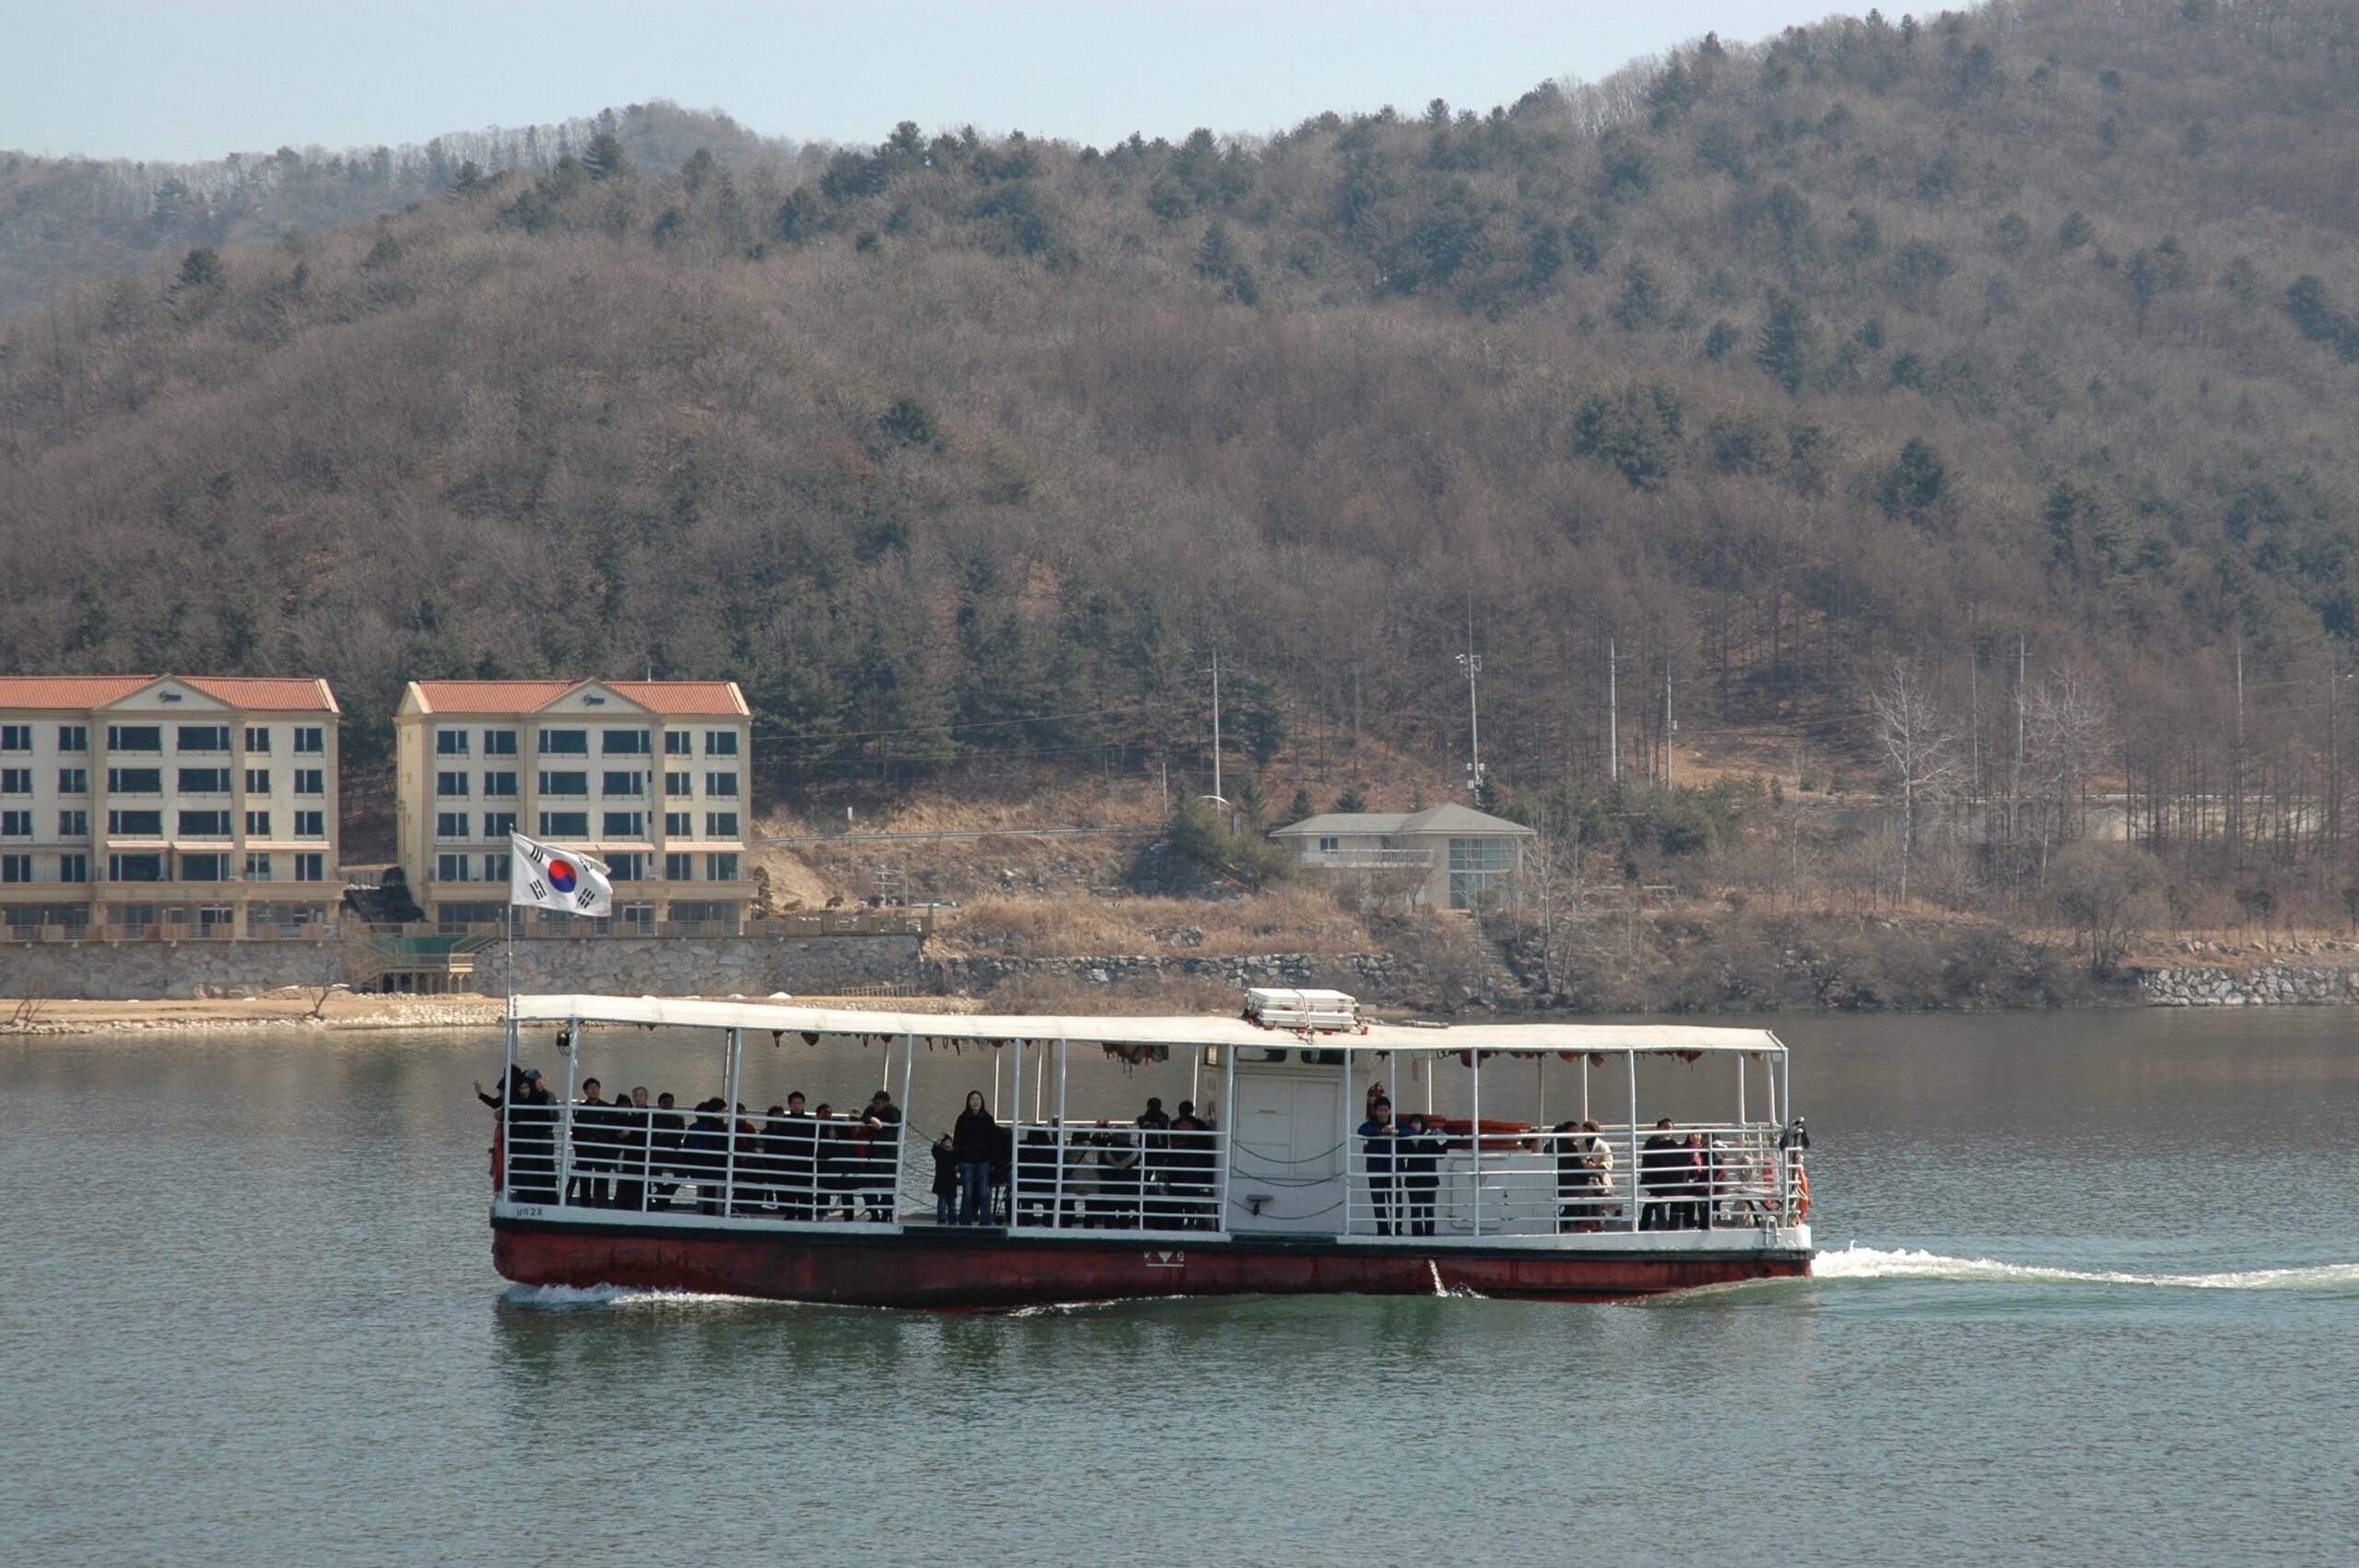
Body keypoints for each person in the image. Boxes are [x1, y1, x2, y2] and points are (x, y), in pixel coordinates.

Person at [952, 1090, 997, 1225]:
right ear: (968, 1102)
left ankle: (986, 1221)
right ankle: (965, 1221)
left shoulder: (988, 1120)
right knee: (967, 1194)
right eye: (972, 1099)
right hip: (966, 1161)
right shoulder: (962, 1119)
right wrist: (956, 1161)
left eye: (978, 1099)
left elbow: (993, 1142)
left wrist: (993, 1162)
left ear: (982, 1101)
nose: (975, 1102)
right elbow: (957, 1141)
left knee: (984, 1193)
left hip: (983, 1161)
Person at [567, 1078, 613, 1209]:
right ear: (585, 1091)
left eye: (596, 1087)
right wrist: (579, 1146)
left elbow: (611, 1130)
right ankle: (585, 1206)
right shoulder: (580, 1109)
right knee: (584, 1181)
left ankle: (602, 1206)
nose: (594, 1090)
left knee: (602, 1181)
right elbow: (576, 1131)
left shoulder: (607, 1108)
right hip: (585, 1151)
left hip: (603, 1151)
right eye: (591, 1088)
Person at [1169, 1101, 1215, 1230]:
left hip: (1185, 1173)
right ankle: (1190, 1218)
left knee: (1178, 1191)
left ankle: (1178, 1220)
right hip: (1200, 1172)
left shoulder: (1175, 1126)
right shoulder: (1202, 1126)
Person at [1397, 1112, 1442, 1237]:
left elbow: (1442, 1153)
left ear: (1422, 1124)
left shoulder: (1431, 1136)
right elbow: (1401, 1153)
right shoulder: (1408, 1139)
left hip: (1429, 1179)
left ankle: (1429, 1234)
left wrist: (1443, 1139)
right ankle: (1417, 1235)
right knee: (1415, 1210)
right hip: (1413, 1179)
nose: (1414, 1125)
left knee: (1429, 1210)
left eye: (1417, 1122)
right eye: (1412, 1123)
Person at [1359, 1095, 1400, 1236]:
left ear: (1389, 1111)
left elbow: (1409, 1131)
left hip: (1393, 1168)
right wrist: (1382, 1132)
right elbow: (1362, 1130)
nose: (1383, 1113)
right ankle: (1383, 1231)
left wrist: (1396, 1132)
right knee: (1379, 1202)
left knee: (1396, 1202)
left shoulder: (1395, 1123)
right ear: (1375, 1111)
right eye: (1380, 1110)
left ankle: (1396, 1231)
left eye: (1386, 1110)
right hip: (1376, 1169)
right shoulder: (1370, 1125)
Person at [862, 1091, 903, 1222]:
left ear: (886, 1103)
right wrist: (872, 1119)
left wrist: (879, 1117)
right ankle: (874, 1215)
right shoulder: (871, 1111)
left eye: (878, 1103)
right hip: (873, 1156)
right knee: (868, 1187)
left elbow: (896, 1118)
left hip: (888, 1157)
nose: (875, 1105)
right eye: (874, 1102)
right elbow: (864, 1116)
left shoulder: (893, 1112)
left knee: (887, 1189)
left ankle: (886, 1215)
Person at [610, 1088, 651, 1212]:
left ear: (646, 1097)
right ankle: (628, 1208)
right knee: (628, 1183)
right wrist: (622, 1135)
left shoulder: (650, 1114)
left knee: (643, 1183)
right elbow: (619, 1134)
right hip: (629, 1153)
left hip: (643, 1153)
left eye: (641, 1095)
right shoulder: (630, 1115)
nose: (638, 1098)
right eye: (636, 1096)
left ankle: (644, 1208)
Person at [1640, 1118, 1684, 1231]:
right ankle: (1644, 1228)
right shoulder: (1651, 1143)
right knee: (1651, 1204)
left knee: (1676, 1201)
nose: (1668, 1130)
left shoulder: (1672, 1143)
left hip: (1667, 1181)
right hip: (1654, 1180)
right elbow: (1650, 1163)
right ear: (1658, 1128)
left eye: (1670, 1127)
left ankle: (1673, 1228)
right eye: (1665, 1127)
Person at [780, 1093, 816, 1221]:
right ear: (789, 1105)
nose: (797, 1106)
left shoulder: (811, 1122)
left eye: (799, 1103)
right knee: (789, 1190)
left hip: (805, 1161)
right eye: (794, 1103)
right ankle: (789, 1214)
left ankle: (804, 1215)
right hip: (789, 1160)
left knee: (805, 1191)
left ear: (804, 1104)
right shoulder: (784, 1121)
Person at [649, 1092, 687, 1211]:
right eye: (665, 1102)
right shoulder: (654, 1117)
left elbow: (679, 1136)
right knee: (652, 1171)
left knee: (683, 1172)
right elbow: (656, 1136)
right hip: (657, 1152)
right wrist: (670, 1133)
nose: (668, 1105)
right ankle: (664, 1195)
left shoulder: (679, 1118)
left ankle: (664, 1194)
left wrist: (664, 1134)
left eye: (670, 1102)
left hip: (673, 1153)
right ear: (659, 1104)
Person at [930, 1134, 960, 1225]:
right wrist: (938, 1140)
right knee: (942, 1205)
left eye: (950, 1142)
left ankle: (953, 1221)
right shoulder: (939, 1154)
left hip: (951, 1183)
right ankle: (942, 1220)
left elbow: (957, 1162)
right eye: (947, 1142)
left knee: (952, 1205)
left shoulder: (953, 1155)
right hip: (941, 1183)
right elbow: (934, 1150)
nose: (949, 1144)